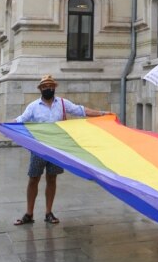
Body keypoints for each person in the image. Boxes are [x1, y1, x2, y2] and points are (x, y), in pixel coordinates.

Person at [13, 74, 109, 226]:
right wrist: (3, 125)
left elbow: (81, 110)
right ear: (40, 89)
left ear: (54, 87)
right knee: (33, 179)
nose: (48, 88)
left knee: (52, 178)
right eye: (44, 86)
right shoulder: (33, 106)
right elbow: (20, 120)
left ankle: (48, 212)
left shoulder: (62, 103)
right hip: (39, 149)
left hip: (57, 149)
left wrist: (102, 114)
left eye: (50, 86)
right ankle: (29, 213)